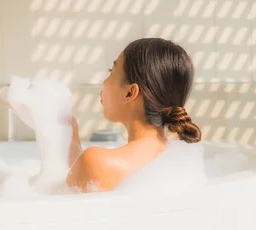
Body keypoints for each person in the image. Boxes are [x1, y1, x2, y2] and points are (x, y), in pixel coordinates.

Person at [65, 37, 201, 193]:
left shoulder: (95, 161)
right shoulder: (181, 159)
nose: (104, 81)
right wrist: (72, 137)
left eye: (111, 72)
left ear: (130, 92)